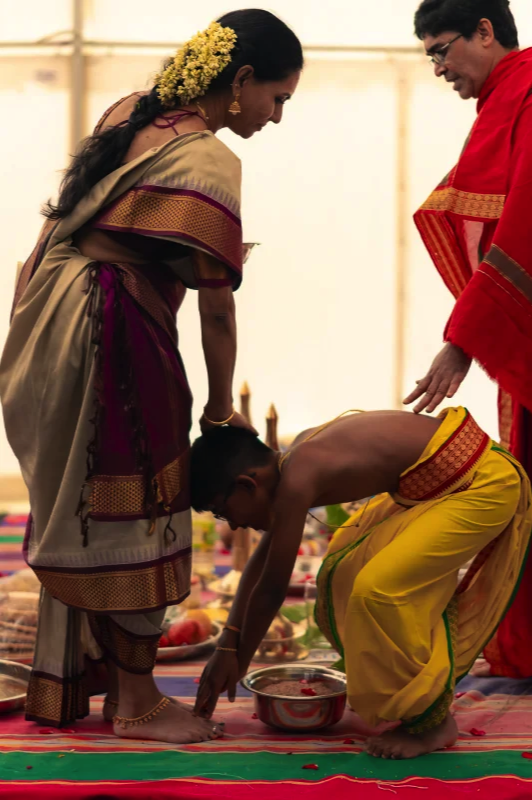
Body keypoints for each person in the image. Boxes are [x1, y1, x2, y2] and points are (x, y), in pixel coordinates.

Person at [0, 10, 303, 744]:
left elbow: (68, 222)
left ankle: (98, 669)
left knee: (88, 496)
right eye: (278, 98)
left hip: (55, 313)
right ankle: (135, 700)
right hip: (115, 332)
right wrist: (220, 407)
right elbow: (217, 309)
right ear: (240, 83)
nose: (277, 117)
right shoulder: (207, 160)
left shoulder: (128, 113)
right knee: (145, 495)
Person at [190, 407, 532, 759]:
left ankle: (433, 722)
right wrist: (227, 645)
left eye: (222, 510)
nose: (230, 524)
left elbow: (272, 589)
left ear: (248, 484)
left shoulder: (298, 476)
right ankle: (390, 681)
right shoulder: (291, 465)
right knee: (342, 575)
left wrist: (237, 663)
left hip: (482, 484)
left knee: (377, 591)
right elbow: (260, 566)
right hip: (434, 488)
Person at [408, 0, 532, 679]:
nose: (437, 67)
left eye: (442, 48)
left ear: (486, 32)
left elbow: (521, 227)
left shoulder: (528, 95)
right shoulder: (507, 98)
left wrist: (463, 339)